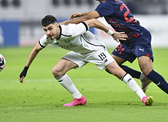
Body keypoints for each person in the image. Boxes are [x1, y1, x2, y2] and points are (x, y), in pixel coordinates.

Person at [60, 0, 168, 105]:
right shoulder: (108, 2)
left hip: (138, 37)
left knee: (147, 69)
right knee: (111, 65)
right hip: (126, 41)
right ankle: (143, 78)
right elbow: (95, 13)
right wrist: (81, 13)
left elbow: (90, 18)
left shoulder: (107, 4)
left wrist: (64, 24)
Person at [19, 15, 154, 107]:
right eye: (45, 30)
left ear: (57, 26)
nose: (48, 32)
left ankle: (143, 97)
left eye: (50, 28)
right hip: (80, 53)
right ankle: (79, 99)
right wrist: (26, 68)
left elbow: (93, 21)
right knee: (57, 71)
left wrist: (112, 34)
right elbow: (36, 49)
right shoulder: (48, 38)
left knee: (116, 72)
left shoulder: (71, 30)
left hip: (94, 49)